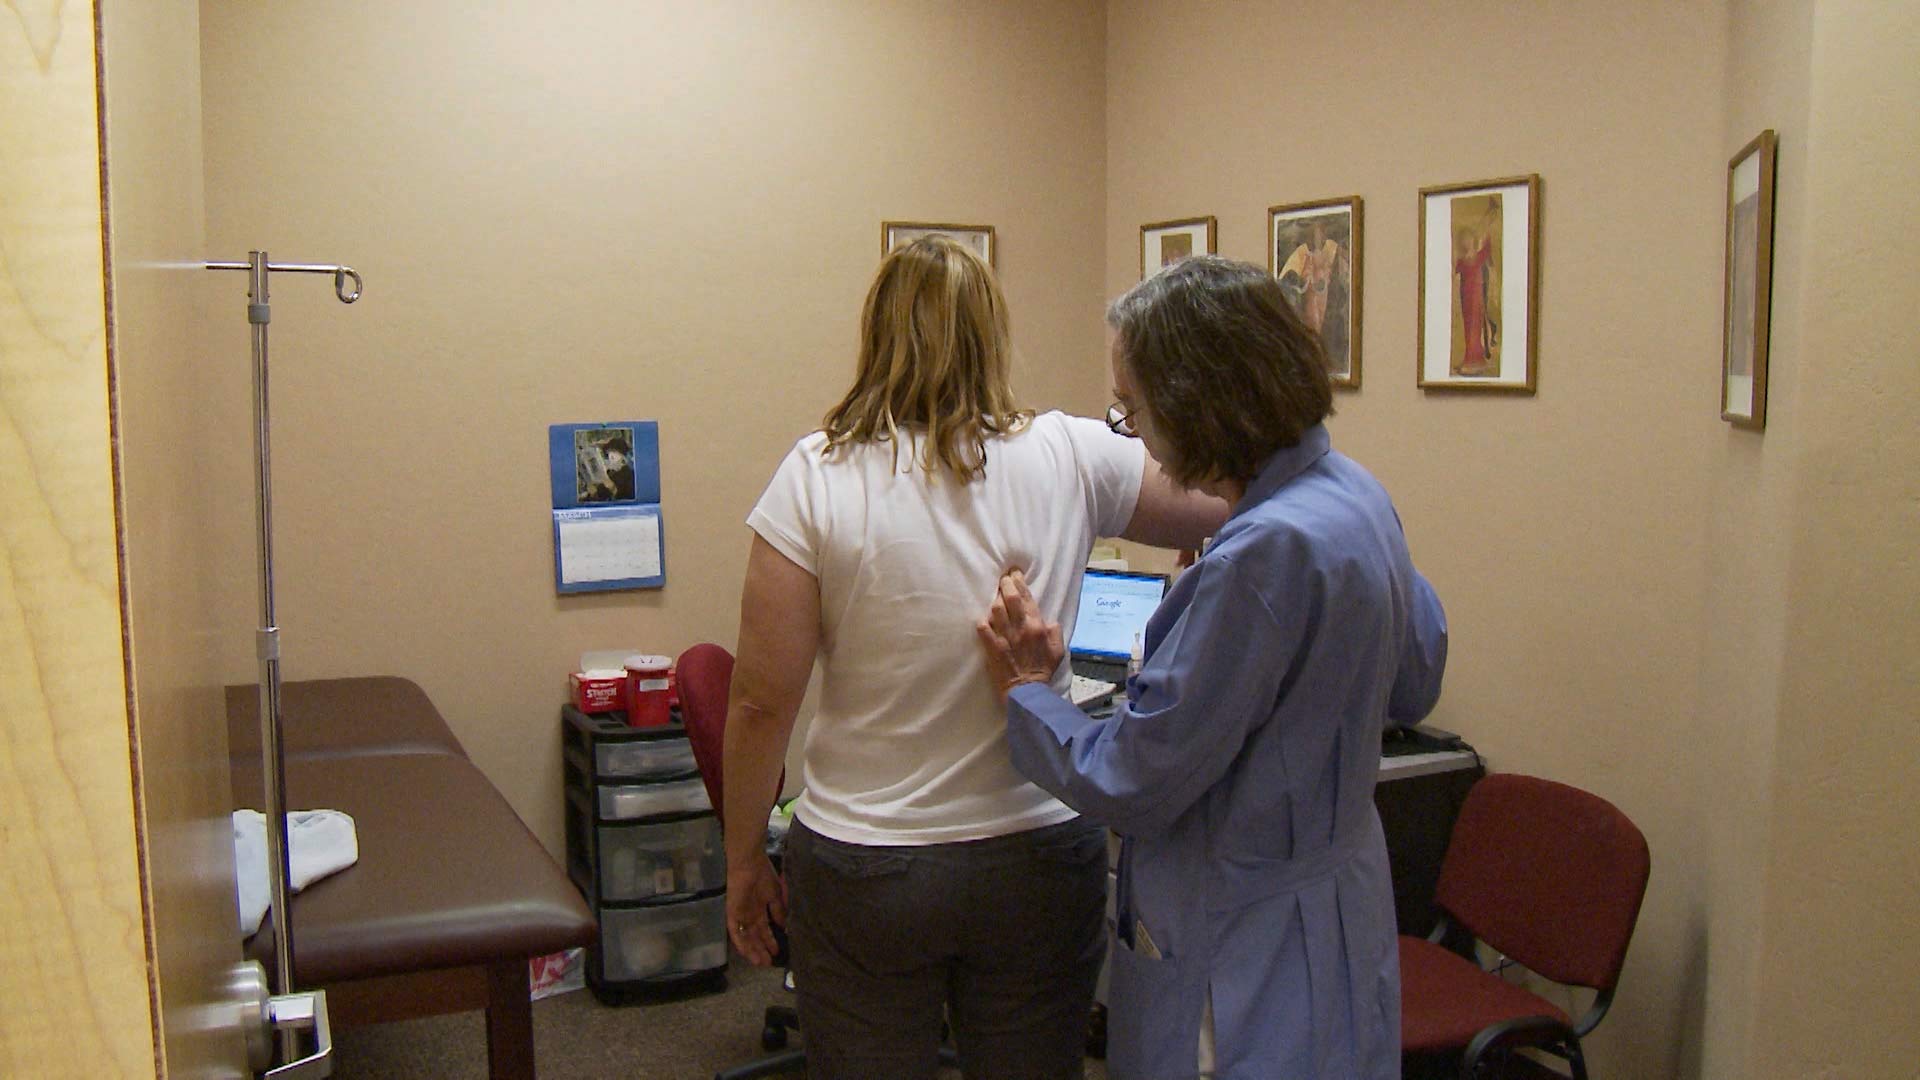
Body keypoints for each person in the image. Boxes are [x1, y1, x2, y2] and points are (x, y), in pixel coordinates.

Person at [722, 236, 1226, 1079]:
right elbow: (1227, 510)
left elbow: (759, 705)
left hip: (868, 867)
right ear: (994, 336)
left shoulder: (816, 476)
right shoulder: (1074, 452)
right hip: (1036, 853)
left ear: (876, 333)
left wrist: (742, 862)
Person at [976, 255, 1448, 1080]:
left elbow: (1136, 780)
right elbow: (1413, 681)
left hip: (1241, 937)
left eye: (1132, 410)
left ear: (1198, 404)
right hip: (1339, 901)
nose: (1133, 431)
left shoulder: (1257, 559)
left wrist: (1029, 692)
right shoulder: (1357, 498)